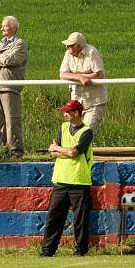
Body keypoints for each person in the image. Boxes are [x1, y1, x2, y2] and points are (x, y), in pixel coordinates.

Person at [41, 99, 93, 257]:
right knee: (53, 218)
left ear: (76, 113)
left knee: (80, 220)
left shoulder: (87, 131)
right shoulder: (62, 128)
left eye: (67, 112)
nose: (64, 115)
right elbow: (54, 152)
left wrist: (58, 149)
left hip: (79, 181)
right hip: (60, 180)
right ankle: (47, 250)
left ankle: (81, 250)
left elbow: (73, 152)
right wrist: (61, 150)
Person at [0, 16, 28, 160]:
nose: (1, 28)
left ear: (13, 28)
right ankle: (0, 151)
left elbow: (12, 60)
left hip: (9, 86)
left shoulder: (20, 44)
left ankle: (15, 152)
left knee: (12, 120)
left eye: (5, 26)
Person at [59, 32, 107, 135]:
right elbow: (62, 74)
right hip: (76, 101)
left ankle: (81, 150)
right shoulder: (68, 53)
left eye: (70, 45)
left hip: (94, 101)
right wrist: (79, 77)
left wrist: (81, 76)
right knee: (74, 133)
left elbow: (100, 74)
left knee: (86, 133)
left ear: (78, 46)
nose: (67, 47)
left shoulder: (92, 52)